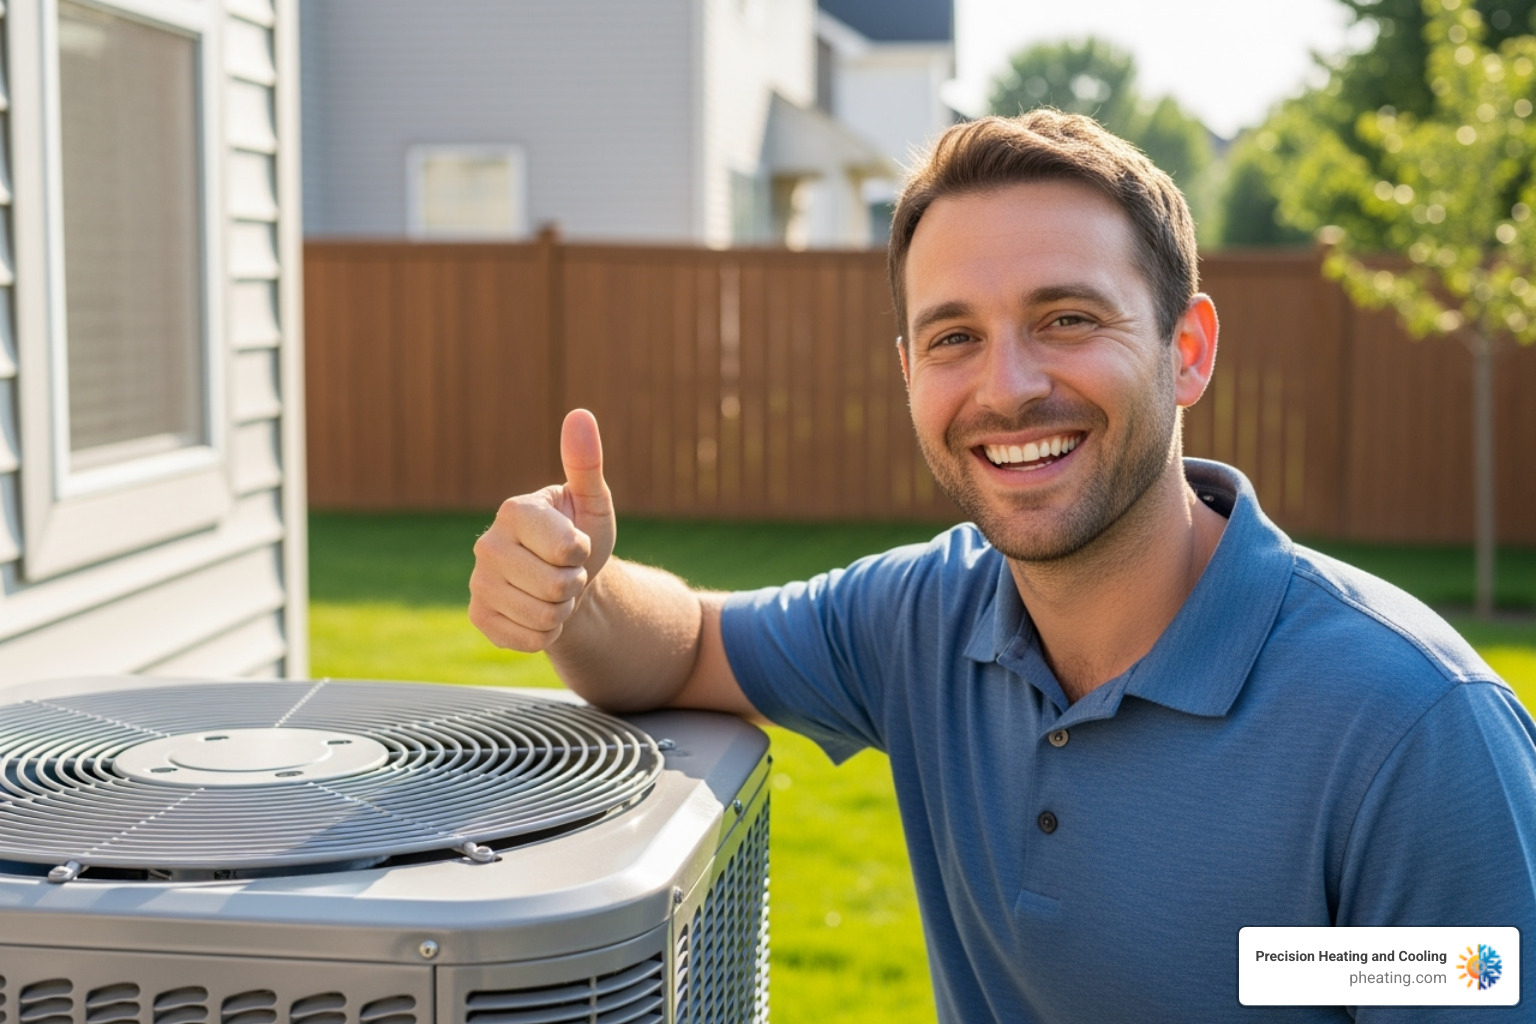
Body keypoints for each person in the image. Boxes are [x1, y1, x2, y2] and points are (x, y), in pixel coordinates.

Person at [469, 111, 1536, 1022]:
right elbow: (689, 643)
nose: (1008, 386)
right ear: (907, 374)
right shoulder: (925, 616)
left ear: (1189, 349)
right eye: (953, 338)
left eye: (1067, 319)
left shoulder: (1418, 735)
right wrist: (577, 595)